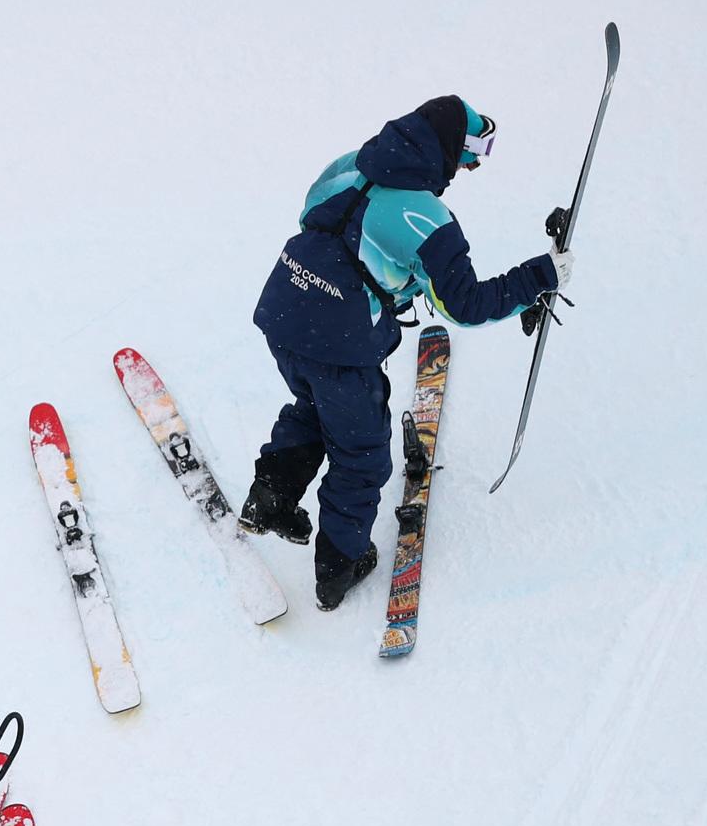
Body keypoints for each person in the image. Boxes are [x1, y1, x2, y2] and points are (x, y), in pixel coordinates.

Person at [241, 97, 566, 609]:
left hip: (282, 311)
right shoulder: (429, 219)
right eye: (472, 152)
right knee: (361, 452)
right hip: (339, 343)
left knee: (315, 407)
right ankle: (337, 569)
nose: (474, 165)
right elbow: (464, 305)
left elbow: (315, 217)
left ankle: (269, 499)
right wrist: (540, 278)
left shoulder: (347, 165)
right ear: (444, 150)